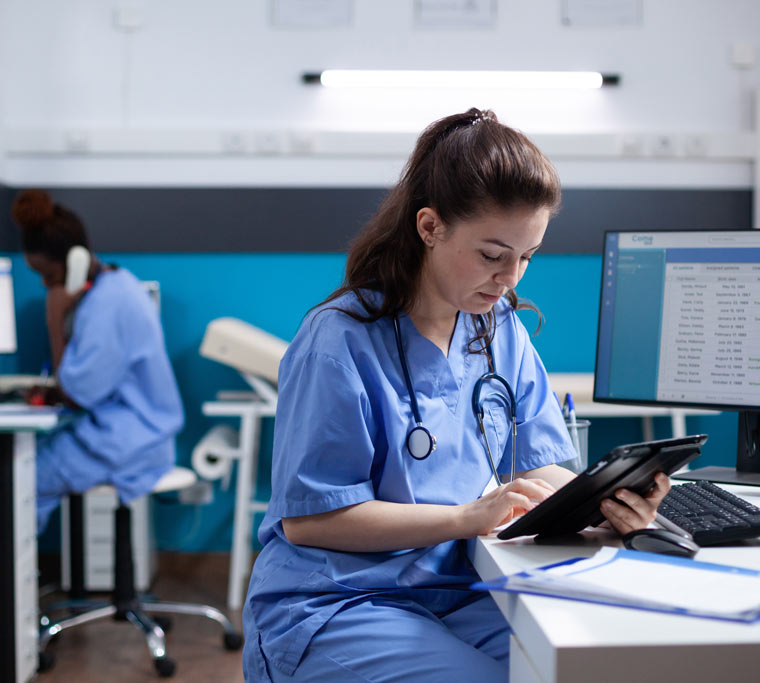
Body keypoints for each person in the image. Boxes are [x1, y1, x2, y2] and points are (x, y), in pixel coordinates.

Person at [242, 108, 671, 682]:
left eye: (526, 257)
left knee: (591, 663)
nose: (510, 278)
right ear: (429, 227)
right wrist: (467, 516)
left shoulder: (500, 331)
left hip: (459, 589)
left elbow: (539, 466)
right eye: (493, 255)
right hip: (338, 602)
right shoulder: (338, 341)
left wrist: (605, 505)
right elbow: (312, 523)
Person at [11, 189, 185, 532]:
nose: (47, 286)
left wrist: (54, 320)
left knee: (17, 480)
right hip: (130, 433)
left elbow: (78, 394)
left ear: (75, 261)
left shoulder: (107, 305)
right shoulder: (114, 286)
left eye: (49, 275)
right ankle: (19, 578)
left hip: (133, 442)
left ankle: (4, 581)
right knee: (26, 465)